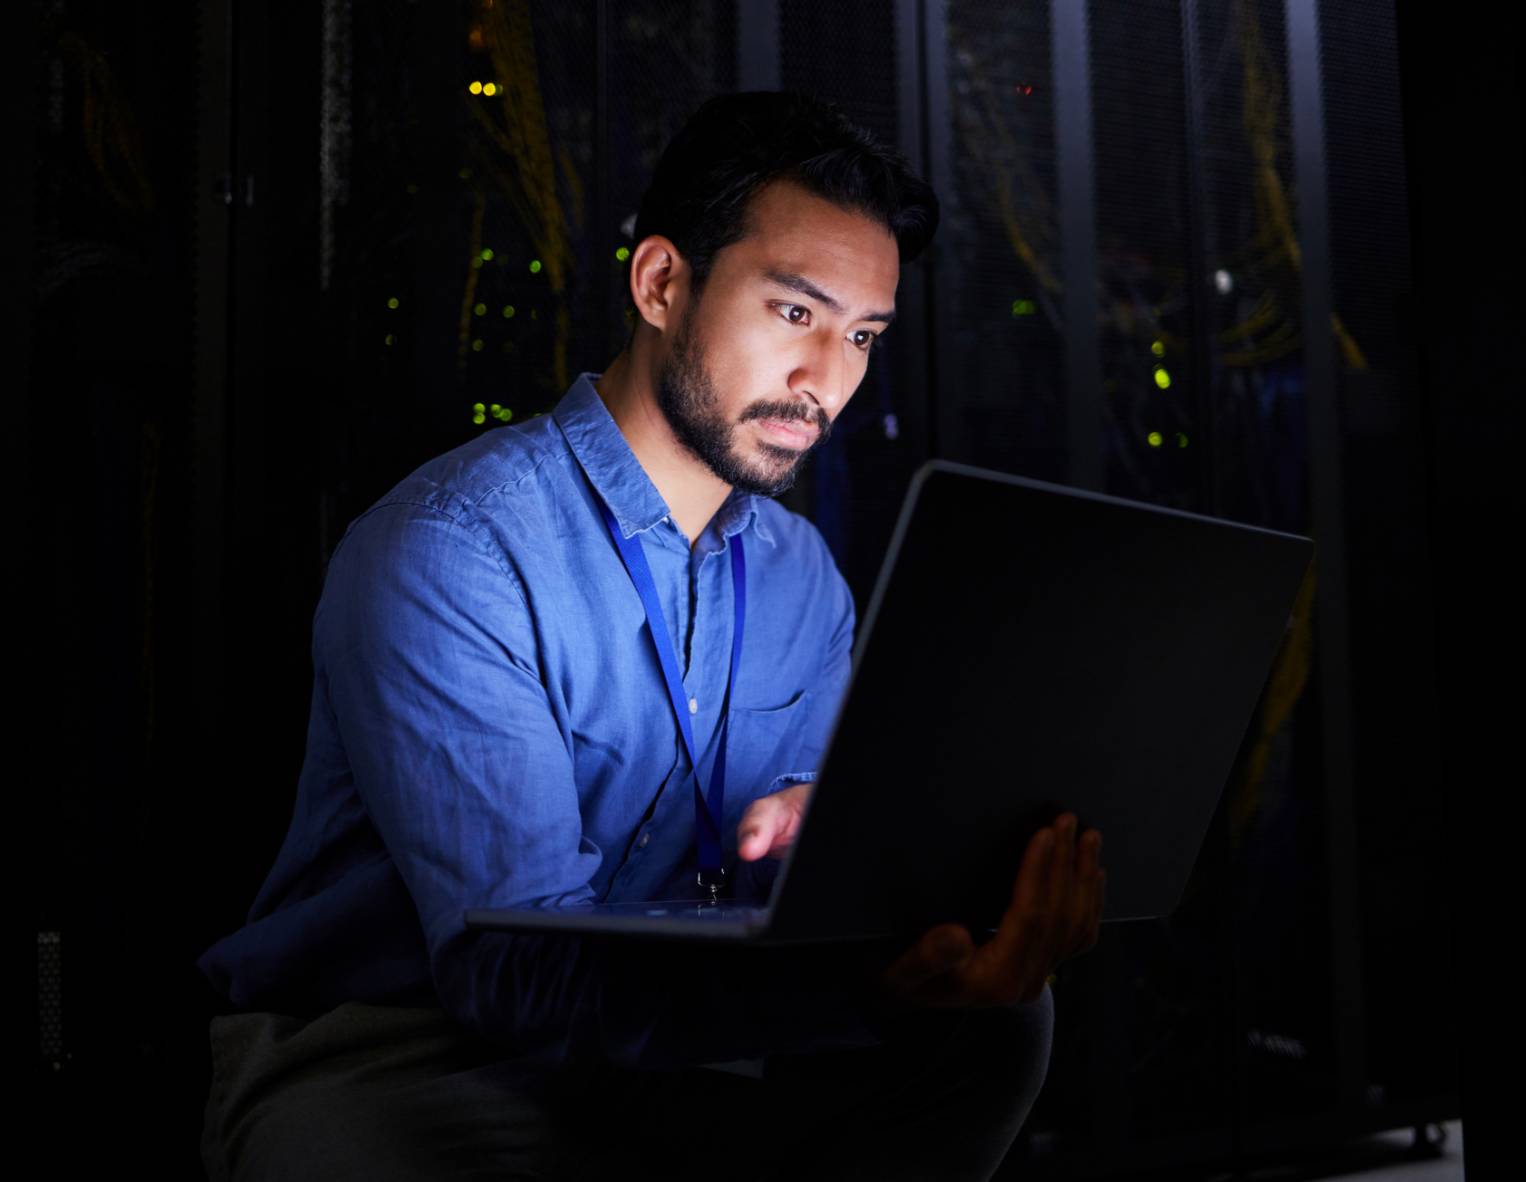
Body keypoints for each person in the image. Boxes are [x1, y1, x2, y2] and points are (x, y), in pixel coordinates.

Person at [196, 89, 1107, 1181]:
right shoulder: (452, 549)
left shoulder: (799, 576)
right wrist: (852, 984)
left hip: (684, 1053)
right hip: (411, 1057)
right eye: (794, 314)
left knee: (1000, 1024)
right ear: (662, 283)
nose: (829, 381)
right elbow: (516, 972)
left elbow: (781, 894)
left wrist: (867, 878)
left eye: (863, 334)